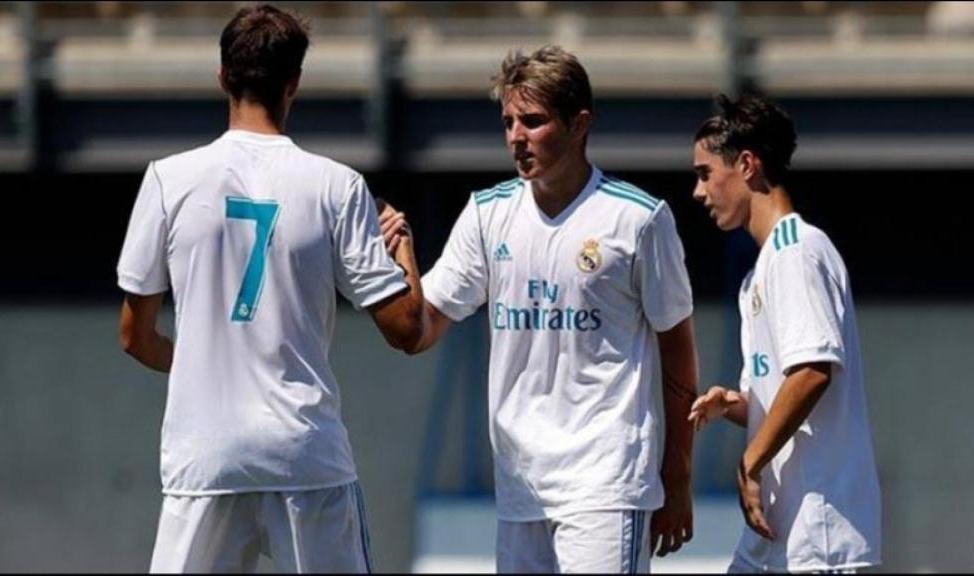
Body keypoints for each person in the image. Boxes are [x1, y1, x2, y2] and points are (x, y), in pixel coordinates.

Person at [116, 4, 423, 572]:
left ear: (223, 78)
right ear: (294, 84)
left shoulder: (166, 179)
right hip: (304, 456)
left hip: (204, 455)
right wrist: (401, 243)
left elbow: (136, 338)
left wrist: (206, 364)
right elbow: (408, 331)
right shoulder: (338, 185)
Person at [381, 45, 699, 573]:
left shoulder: (638, 220)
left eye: (532, 121)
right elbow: (418, 331)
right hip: (520, 485)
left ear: (579, 125)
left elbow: (678, 351)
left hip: (605, 481)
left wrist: (678, 476)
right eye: (508, 122)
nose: (515, 136)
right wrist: (403, 258)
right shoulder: (487, 215)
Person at [687, 94, 881, 573]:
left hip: (818, 533)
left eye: (704, 173)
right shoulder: (763, 269)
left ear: (748, 165)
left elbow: (814, 372)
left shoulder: (796, 251)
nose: (698, 191)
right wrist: (733, 406)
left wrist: (749, 461)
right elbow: (783, 397)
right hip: (775, 532)